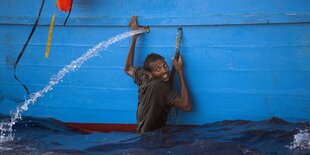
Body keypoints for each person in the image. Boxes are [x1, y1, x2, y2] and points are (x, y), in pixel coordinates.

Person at [124, 16, 192, 133]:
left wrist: (134, 36)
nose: (164, 71)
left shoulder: (143, 76)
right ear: (151, 73)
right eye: (158, 69)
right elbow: (187, 106)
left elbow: (128, 68)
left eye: (165, 66)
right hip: (153, 138)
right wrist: (180, 71)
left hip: (141, 133)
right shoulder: (160, 87)